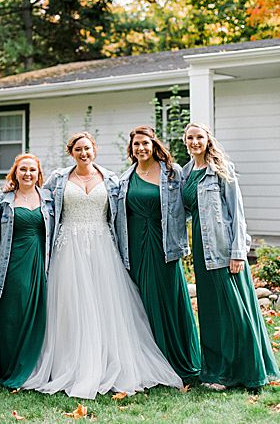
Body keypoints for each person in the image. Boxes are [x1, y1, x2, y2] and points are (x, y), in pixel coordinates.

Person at [21, 132, 181, 399]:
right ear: (71, 152)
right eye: (78, 150)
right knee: (71, 306)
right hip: (68, 247)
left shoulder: (113, 179)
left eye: (88, 148)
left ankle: (108, 360)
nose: (84, 154)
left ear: (95, 150)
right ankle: (69, 362)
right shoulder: (58, 179)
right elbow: (36, 197)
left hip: (102, 246)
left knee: (104, 305)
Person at [182, 122, 279, 391]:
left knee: (235, 312)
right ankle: (217, 373)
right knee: (212, 315)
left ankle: (248, 371)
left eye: (199, 137)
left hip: (225, 250)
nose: (194, 142)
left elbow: (238, 215)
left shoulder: (222, 170)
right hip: (203, 251)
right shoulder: (186, 173)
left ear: (207, 139)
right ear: (185, 141)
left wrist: (239, 252)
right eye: (190, 138)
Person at [117, 125, 199, 380]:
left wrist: (175, 226)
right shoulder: (124, 178)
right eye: (136, 144)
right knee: (141, 301)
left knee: (169, 299)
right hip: (135, 246)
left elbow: (187, 203)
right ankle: (149, 362)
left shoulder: (173, 173)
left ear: (154, 145)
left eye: (145, 143)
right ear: (131, 149)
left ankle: (178, 359)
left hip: (165, 246)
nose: (141, 148)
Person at [0, 153, 52, 389]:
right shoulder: (4, 199)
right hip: (13, 262)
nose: (27, 174)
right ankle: (9, 367)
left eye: (32, 170)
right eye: (22, 169)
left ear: (38, 174)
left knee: (37, 313)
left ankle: (33, 367)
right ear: (15, 172)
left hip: (40, 261)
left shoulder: (49, 198)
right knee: (12, 314)